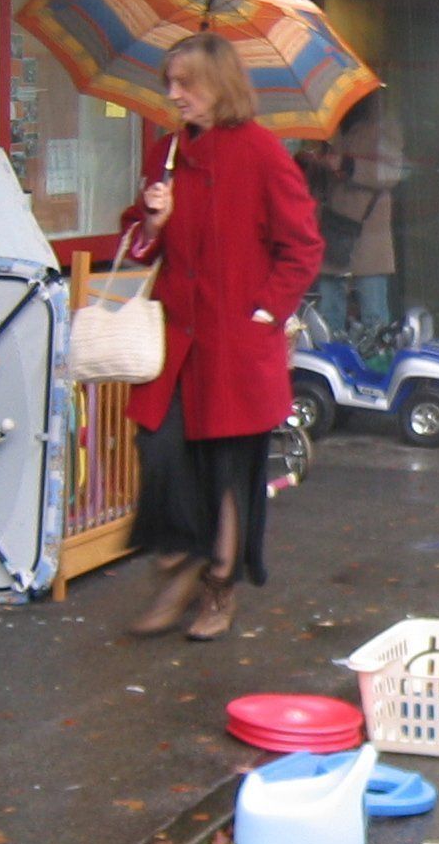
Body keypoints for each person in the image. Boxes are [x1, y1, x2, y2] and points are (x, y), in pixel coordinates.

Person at [122, 32, 323, 642]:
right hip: (177, 345)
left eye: (185, 83)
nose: (173, 94)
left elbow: (303, 246)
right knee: (162, 451)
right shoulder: (166, 153)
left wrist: (264, 313)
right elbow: (136, 239)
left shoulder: (262, 153)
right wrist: (153, 219)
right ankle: (181, 564)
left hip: (235, 345)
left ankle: (218, 584)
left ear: (220, 85)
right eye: (169, 82)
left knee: (230, 474)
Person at [301, 90, 405, 338]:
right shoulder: (333, 128)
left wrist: (347, 165)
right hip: (334, 227)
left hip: (368, 230)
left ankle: (375, 358)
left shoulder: (383, 127)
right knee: (329, 313)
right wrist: (316, 165)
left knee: (374, 316)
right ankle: (332, 355)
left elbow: (391, 172)